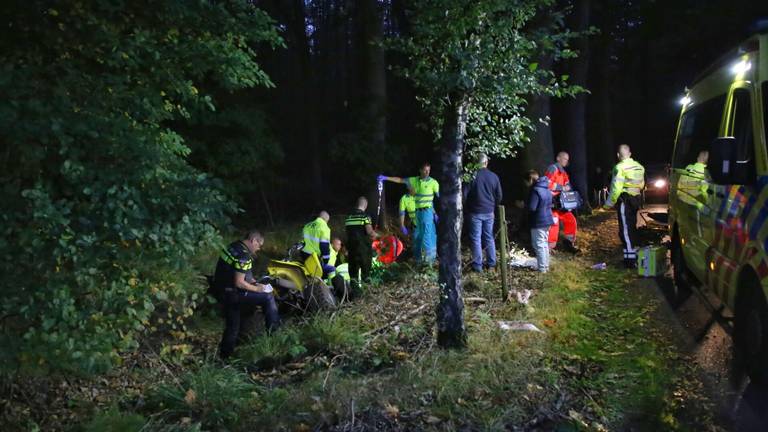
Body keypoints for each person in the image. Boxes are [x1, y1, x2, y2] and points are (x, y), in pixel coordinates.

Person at [214, 230, 279, 359]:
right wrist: (258, 289)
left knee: (233, 326)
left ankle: (223, 358)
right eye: (259, 245)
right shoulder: (244, 256)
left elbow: (240, 273)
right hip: (232, 293)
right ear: (253, 240)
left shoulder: (233, 246)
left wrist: (254, 282)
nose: (259, 249)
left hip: (222, 289)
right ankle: (275, 335)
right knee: (268, 297)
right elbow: (239, 283)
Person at [379, 162, 440, 265]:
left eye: (428, 170)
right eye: (425, 170)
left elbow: (438, 199)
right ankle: (418, 262)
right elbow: (400, 180)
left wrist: (435, 213)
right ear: (420, 170)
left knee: (426, 236)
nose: (427, 172)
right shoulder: (413, 181)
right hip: (417, 214)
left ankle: (430, 263)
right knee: (417, 238)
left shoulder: (433, 183)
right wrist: (386, 178)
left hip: (427, 211)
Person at [603, 144, 645, 268]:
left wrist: (608, 204)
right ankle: (630, 258)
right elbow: (642, 185)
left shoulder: (619, 167)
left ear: (618, 155)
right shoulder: (639, 167)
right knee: (631, 228)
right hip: (636, 199)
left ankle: (630, 261)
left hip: (625, 201)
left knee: (625, 231)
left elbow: (616, 188)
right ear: (630, 153)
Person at [463, 153, 503, 272]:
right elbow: (499, 196)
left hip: (475, 212)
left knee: (476, 238)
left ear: (476, 163)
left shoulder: (471, 176)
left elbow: (464, 195)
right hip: (489, 211)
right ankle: (491, 264)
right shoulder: (494, 176)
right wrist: (492, 206)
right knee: (489, 237)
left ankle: (477, 266)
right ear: (486, 163)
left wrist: (467, 207)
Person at [545, 151, 579, 252]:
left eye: (567, 160)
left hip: (561, 204)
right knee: (554, 224)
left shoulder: (563, 172)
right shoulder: (553, 169)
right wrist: (562, 188)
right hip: (552, 203)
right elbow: (547, 183)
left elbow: (568, 186)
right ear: (558, 158)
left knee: (571, 220)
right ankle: (549, 249)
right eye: (564, 158)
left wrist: (565, 189)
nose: (566, 161)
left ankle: (569, 243)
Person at [345, 197, 378, 296]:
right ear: (365, 205)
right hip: (363, 249)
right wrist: (376, 234)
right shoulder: (365, 216)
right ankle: (367, 295)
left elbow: (348, 232)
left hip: (352, 250)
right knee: (366, 273)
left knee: (353, 274)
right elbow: (369, 232)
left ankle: (355, 296)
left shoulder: (348, 217)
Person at [526, 170, 554, 273]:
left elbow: (532, 207)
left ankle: (542, 269)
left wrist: (523, 205)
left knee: (539, 244)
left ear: (530, 179)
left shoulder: (535, 190)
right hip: (548, 219)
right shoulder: (546, 188)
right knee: (544, 243)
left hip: (539, 221)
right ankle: (545, 266)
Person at [300, 211, 334, 277]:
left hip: (304, 256)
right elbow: (324, 245)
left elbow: (302, 241)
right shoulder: (324, 227)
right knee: (332, 270)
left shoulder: (307, 225)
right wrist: (326, 260)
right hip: (314, 258)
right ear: (326, 220)